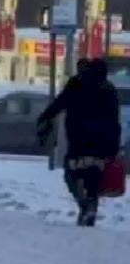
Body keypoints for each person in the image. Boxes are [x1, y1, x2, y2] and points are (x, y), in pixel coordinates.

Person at [37, 58, 122, 227]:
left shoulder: (77, 84)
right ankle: (90, 210)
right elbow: (115, 121)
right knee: (94, 179)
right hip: (102, 144)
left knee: (71, 172)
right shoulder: (109, 89)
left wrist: (45, 117)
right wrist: (114, 147)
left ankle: (83, 205)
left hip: (79, 140)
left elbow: (59, 103)